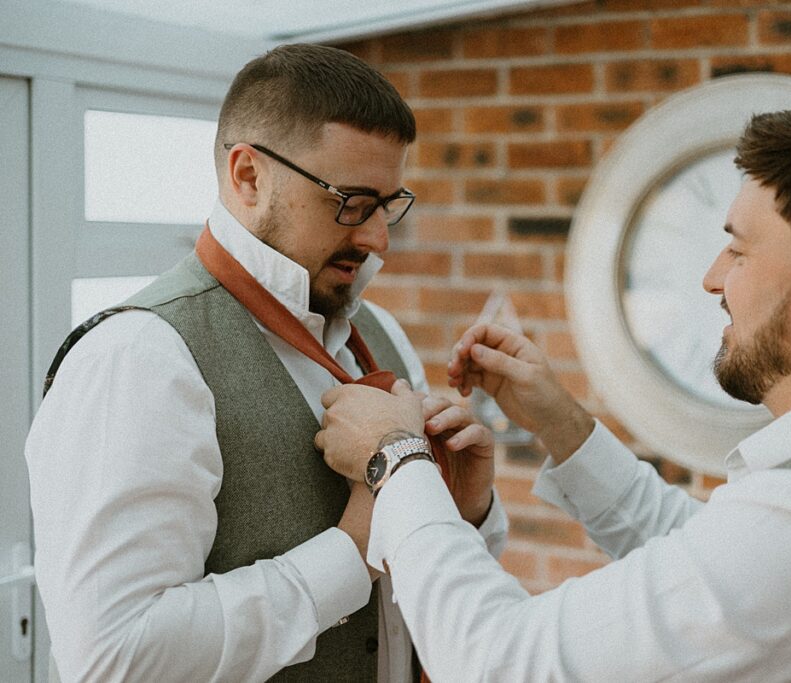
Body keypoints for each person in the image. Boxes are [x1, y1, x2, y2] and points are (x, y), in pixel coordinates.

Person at [315, 104, 791, 682]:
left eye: (739, 250)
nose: (713, 278)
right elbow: (710, 555)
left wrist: (397, 457)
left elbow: (502, 660)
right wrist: (566, 427)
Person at [26, 43, 506, 682]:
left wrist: (466, 512)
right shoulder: (137, 358)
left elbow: (421, 605)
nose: (377, 239)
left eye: (388, 206)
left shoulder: (380, 334)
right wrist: (353, 550)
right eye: (351, 202)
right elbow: (116, 657)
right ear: (248, 176)